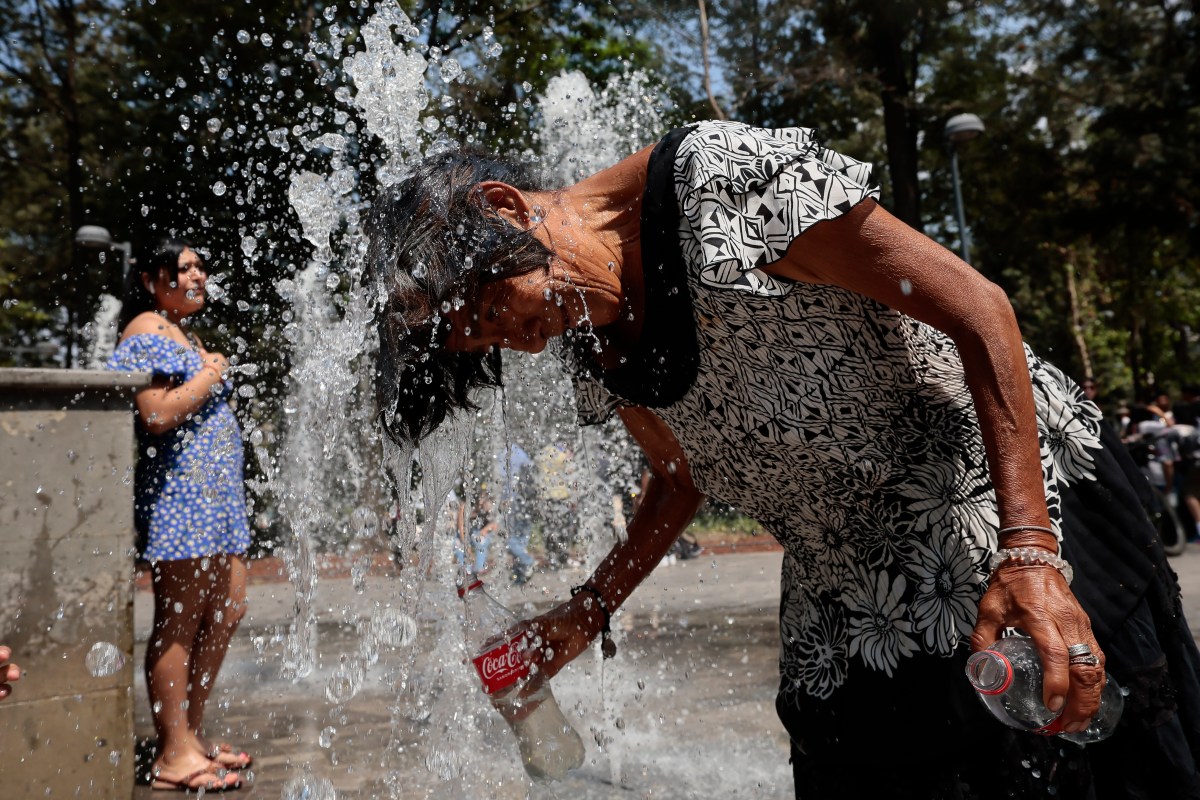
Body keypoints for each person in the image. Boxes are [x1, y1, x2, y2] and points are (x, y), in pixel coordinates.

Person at [367, 121, 1200, 797]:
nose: (511, 340)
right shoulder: (590, 336)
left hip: (1000, 508)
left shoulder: (720, 180)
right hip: (845, 579)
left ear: (506, 206)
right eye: (477, 339)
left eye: (486, 306)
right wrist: (590, 608)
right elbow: (680, 471)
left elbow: (981, 311)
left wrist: (1031, 552)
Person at [107, 239, 249, 792]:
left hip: (216, 501)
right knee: (180, 622)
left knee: (229, 607)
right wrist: (212, 372)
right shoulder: (146, 327)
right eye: (182, 267)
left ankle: (190, 732)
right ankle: (173, 753)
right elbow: (157, 414)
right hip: (182, 497)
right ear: (151, 279)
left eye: (199, 266)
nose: (197, 274)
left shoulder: (182, 334)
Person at [496, 443, 537, 584]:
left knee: (508, 540)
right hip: (527, 505)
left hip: (512, 504)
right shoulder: (523, 453)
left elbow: (501, 479)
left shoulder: (504, 453)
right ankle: (520, 577)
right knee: (521, 542)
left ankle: (528, 562)